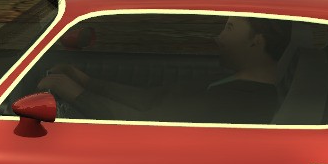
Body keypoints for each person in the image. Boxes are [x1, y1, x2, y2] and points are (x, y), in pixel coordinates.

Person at [36, 16, 292, 124]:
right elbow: (151, 98)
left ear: (256, 42)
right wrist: (86, 81)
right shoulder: (229, 80)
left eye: (229, 29)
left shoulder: (243, 102)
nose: (219, 37)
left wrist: (75, 93)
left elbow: (144, 122)